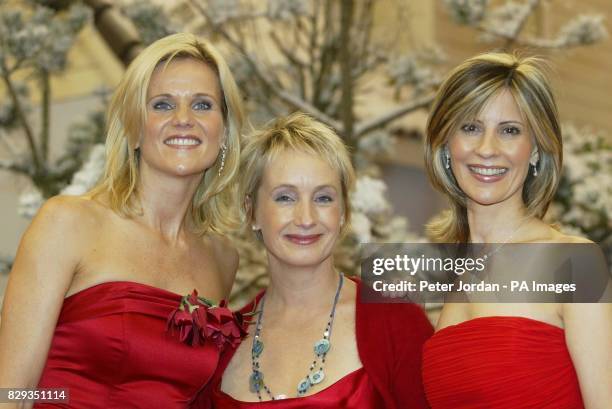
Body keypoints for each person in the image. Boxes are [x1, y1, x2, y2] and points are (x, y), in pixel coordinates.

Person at [0, 32, 244, 408]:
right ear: (132, 127)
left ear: (224, 131)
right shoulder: (67, 223)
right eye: (162, 105)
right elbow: (12, 393)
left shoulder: (222, 258)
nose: (183, 119)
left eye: (202, 104)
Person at [201, 112, 432, 409]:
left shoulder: (394, 318)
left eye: (323, 198)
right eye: (285, 197)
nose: (306, 218)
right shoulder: (225, 341)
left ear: (344, 212)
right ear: (252, 212)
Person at [421, 52, 612, 408]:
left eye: (509, 130)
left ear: (536, 149)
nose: (487, 149)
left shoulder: (574, 262)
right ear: (446, 144)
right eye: (470, 127)